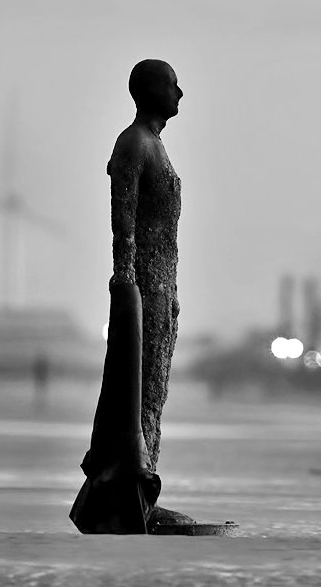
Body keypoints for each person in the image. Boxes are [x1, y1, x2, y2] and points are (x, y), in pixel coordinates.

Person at [71, 59, 191, 534]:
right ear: (149, 92)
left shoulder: (156, 145)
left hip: (162, 288)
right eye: (172, 85)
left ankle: (143, 486)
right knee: (136, 391)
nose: (181, 93)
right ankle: (129, 488)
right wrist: (126, 283)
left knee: (153, 391)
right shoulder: (134, 144)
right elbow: (123, 216)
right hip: (143, 285)